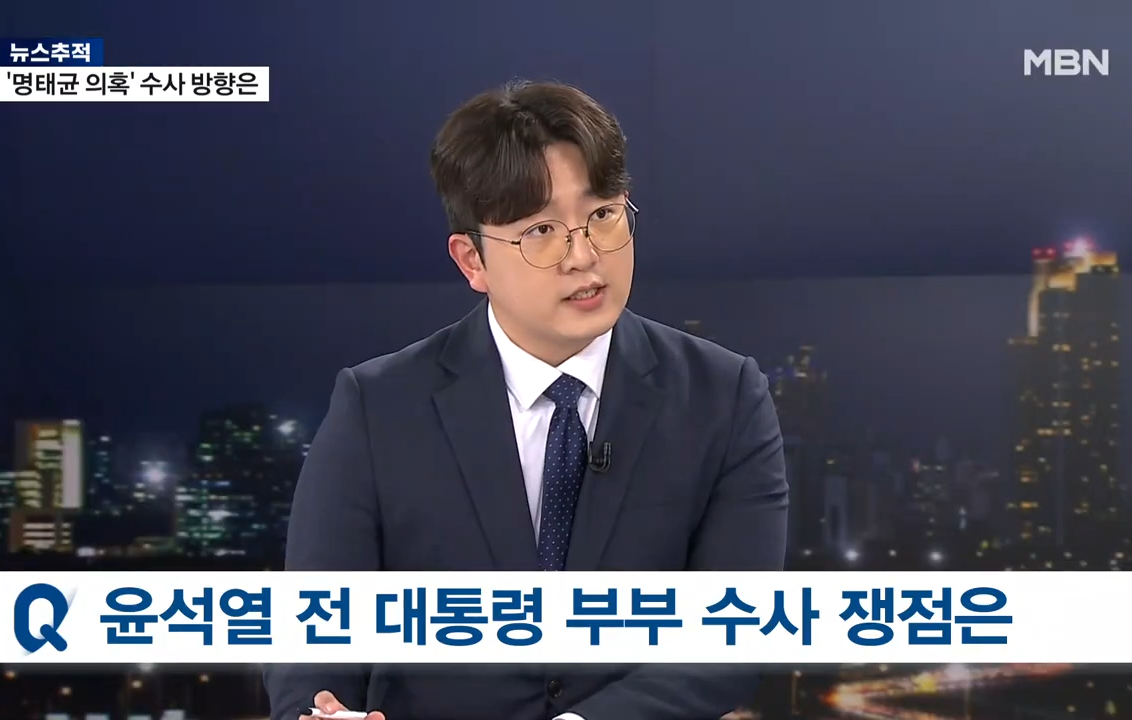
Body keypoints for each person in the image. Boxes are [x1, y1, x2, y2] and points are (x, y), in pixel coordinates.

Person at [265, 79, 789, 720]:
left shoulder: (724, 397)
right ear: (472, 261)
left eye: (604, 215)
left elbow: (731, 638)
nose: (584, 256)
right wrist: (320, 712)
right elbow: (313, 631)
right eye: (541, 230)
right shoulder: (377, 408)